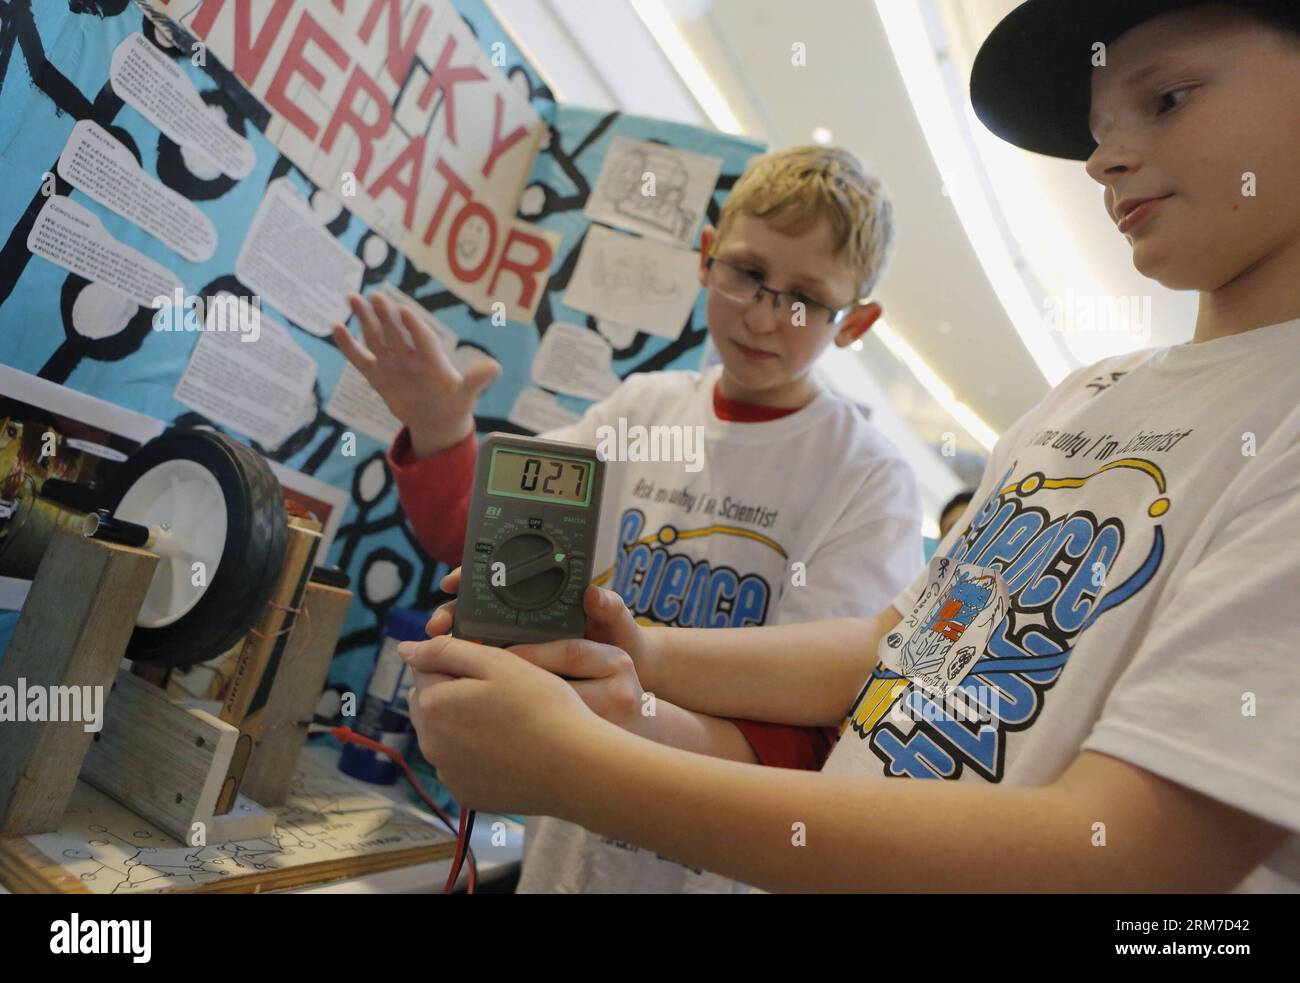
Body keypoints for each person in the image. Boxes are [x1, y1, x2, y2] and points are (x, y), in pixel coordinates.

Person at [402, 0, 1300, 892]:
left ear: (854, 318)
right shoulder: (1080, 400)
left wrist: (579, 765)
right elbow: (898, 644)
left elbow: (1132, 854)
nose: (1104, 157)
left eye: (1169, 100)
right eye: (1096, 128)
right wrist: (648, 653)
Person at [334, 146, 924, 892]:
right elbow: (489, 551)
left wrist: (602, 719)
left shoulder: (868, 479)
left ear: (856, 321)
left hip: (713, 864)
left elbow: (812, 736)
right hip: (562, 849)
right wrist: (442, 433)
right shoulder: (641, 408)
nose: (767, 314)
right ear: (707, 257)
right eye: (748, 273)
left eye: (806, 297)